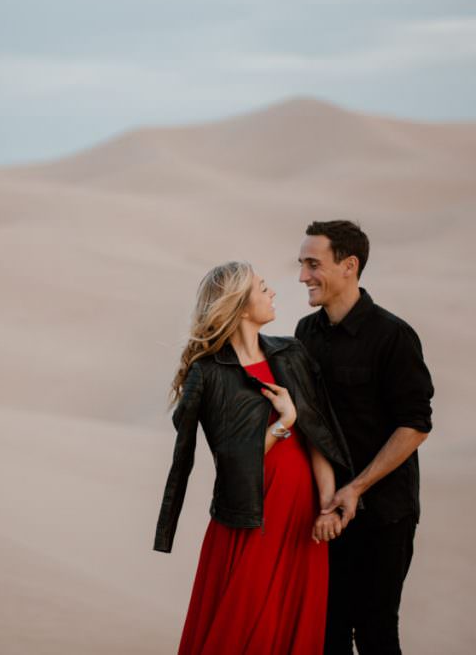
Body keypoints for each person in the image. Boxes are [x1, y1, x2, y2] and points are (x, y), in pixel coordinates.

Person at [153, 260, 352, 655]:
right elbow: (232, 461)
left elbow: (318, 436)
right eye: (263, 288)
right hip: (249, 518)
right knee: (240, 630)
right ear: (242, 306)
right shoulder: (208, 373)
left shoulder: (291, 353)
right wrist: (284, 422)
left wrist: (328, 505)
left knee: (293, 628)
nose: (273, 292)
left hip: (300, 515)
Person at [295, 220, 435, 655]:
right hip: (323, 514)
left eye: (313, 264)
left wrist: (356, 488)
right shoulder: (305, 333)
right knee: (327, 632)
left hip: (384, 514)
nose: (302, 276)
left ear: (349, 266)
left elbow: (415, 425)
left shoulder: (392, 335)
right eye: (302, 264)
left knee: (375, 633)